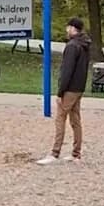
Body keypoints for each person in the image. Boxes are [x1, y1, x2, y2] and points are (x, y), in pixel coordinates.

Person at [37, 17, 91, 164]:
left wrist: (61, 92)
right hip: (79, 87)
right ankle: (76, 153)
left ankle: (55, 153)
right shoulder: (85, 44)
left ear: (73, 28)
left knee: (60, 118)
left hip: (70, 88)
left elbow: (67, 71)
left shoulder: (72, 46)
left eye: (68, 27)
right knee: (75, 119)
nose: (66, 30)